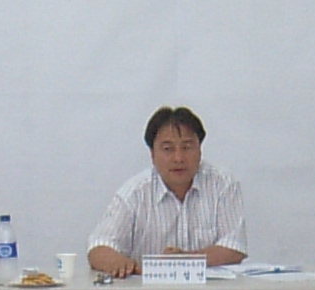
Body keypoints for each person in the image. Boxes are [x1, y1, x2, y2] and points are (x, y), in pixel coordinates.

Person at [87, 106, 246, 279]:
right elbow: (99, 247)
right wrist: (123, 264)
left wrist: (185, 260)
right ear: (152, 154)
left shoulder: (223, 185)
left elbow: (234, 247)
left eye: (187, 147)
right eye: (168, 149)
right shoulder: (134, 193)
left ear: (200, 150)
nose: (178, 158)